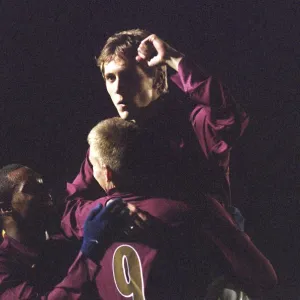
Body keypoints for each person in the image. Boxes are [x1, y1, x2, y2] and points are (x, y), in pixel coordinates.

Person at [62, 118, 277, 299]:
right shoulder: (189, 208)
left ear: (107, 173)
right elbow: (265, 276)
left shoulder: (95, 226)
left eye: (93, 165)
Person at [67, 28, 249, 216]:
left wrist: (174, 59)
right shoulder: (109, 139)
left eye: (128, 76)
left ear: (158, 78)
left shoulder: (195, 124)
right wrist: (109, 209)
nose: (118, 88)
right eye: (110, 78)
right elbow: (71, 208)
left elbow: (230, 116)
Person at [0, 164, 140, 299]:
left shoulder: (58, 244)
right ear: (5, 206)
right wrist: (89, 254)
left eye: (43, 186)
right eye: (32, 189)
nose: (47, 195)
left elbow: (81, 184)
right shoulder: (4, 266)